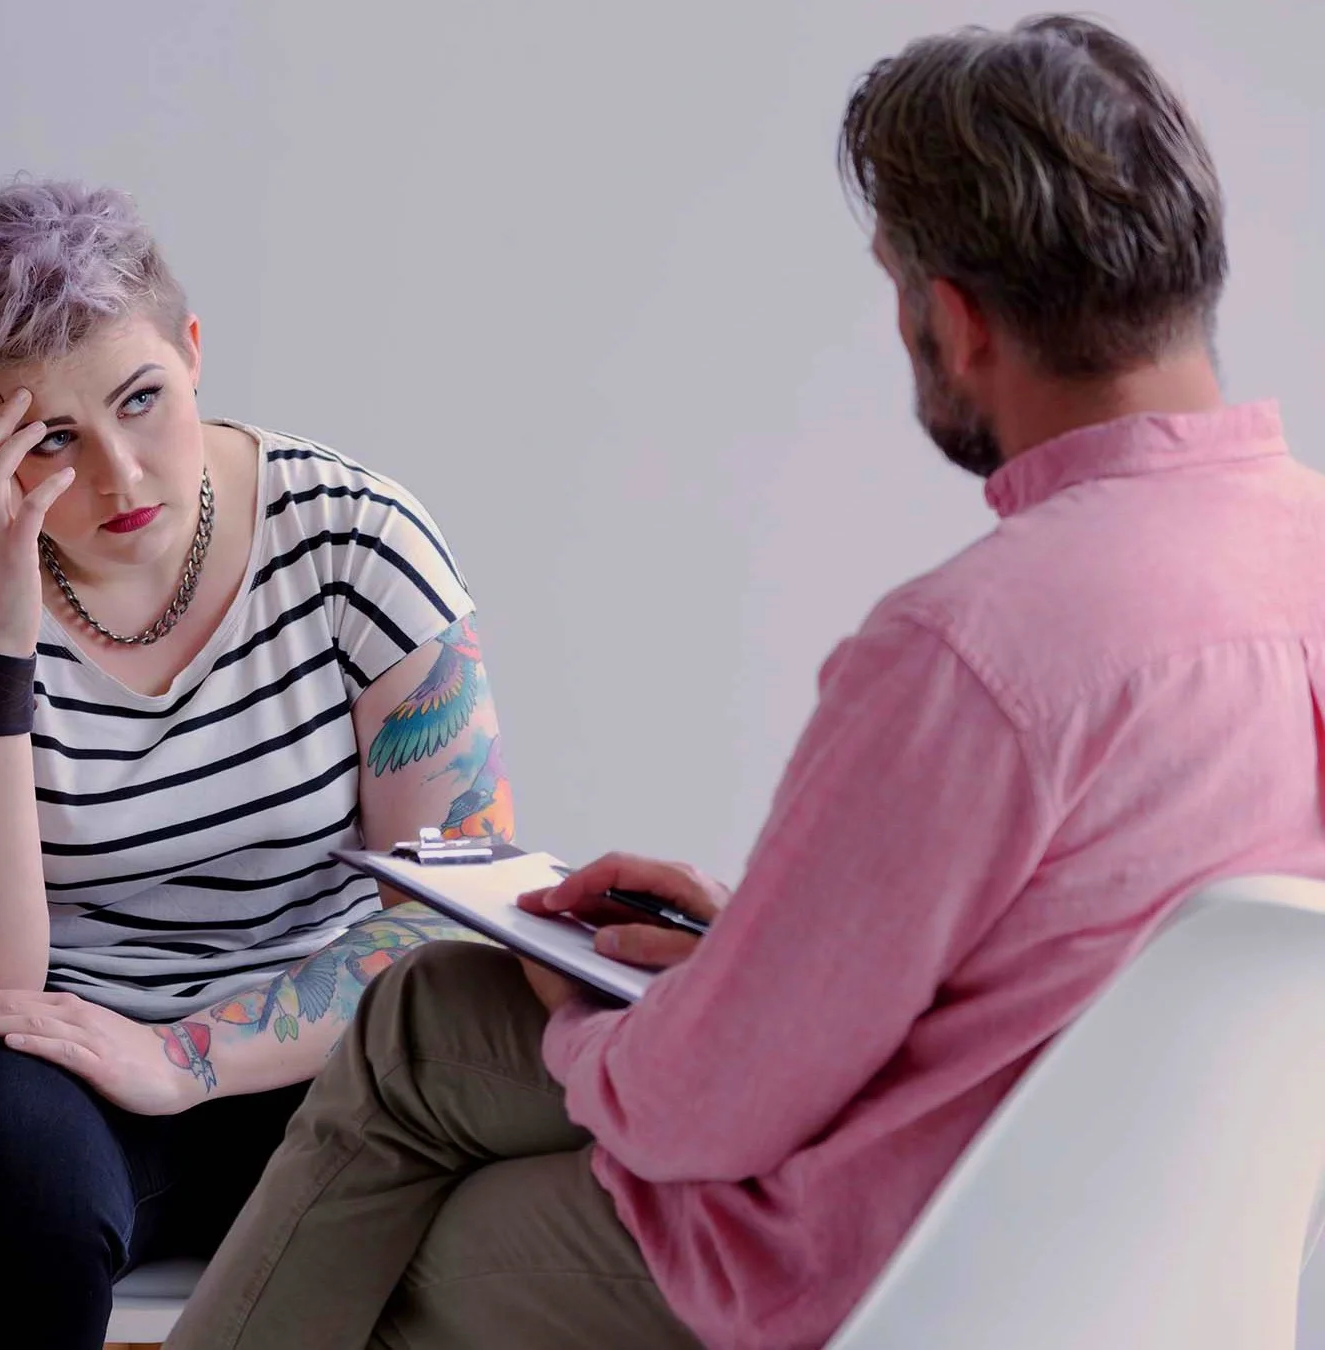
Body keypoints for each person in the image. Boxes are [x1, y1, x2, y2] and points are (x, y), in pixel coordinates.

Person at [168, 16, 1325, 1350]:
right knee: (431, 1015)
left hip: (902, 1269)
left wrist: (584, 1003)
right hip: (1166, 1262)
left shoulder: (972, 651)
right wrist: (761, 937)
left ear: (951, 319)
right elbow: (1095, 941)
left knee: (417, 1231)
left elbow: (697, 1108)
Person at [0, 177, 514, 1347]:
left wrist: (183, 1054)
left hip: (273, 1048)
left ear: (193, 353)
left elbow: (454, 914)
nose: (120, 476)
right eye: (51, 437)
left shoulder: (360, 545)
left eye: (141, 400)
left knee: (529, 1138)